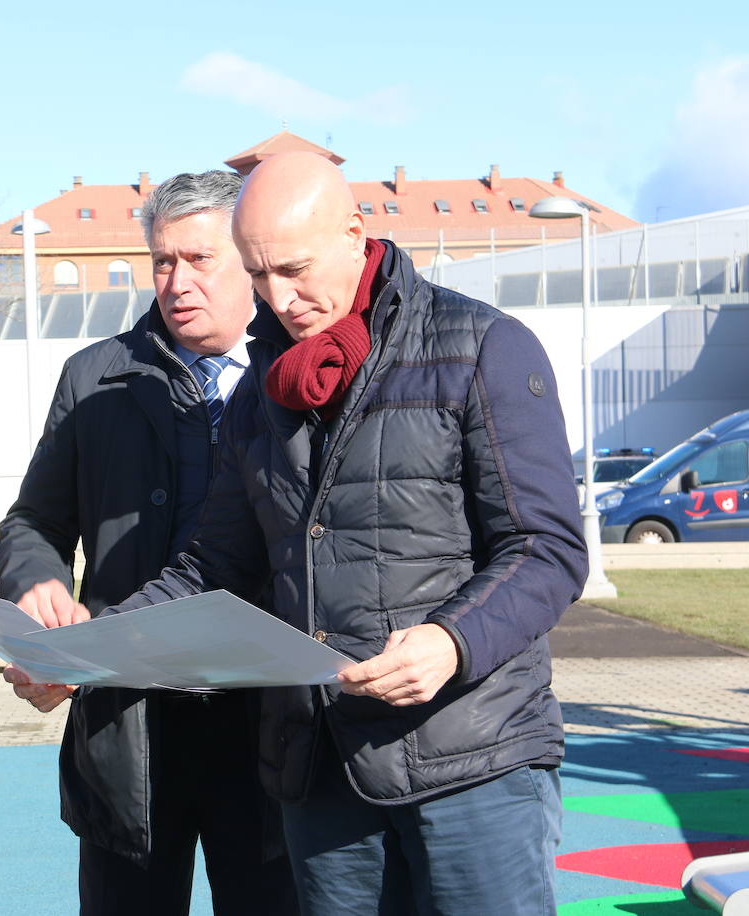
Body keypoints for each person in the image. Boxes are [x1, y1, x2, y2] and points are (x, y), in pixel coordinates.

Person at [36, 152, 589, 915]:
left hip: (473, 758)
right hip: (319, 770)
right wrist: (87, 653)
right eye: (260, 276)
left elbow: (547, 549)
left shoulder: (482, 347)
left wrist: (451, 642)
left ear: (355, 232)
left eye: (294, 270)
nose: (279, 299)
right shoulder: (265, 389)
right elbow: (212, 566)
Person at [0, 170, 298, 915]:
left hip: (266, 723)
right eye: (163, 261)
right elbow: (31, 521)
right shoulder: (94, 379)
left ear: (249, 264)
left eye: (200, 260)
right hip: (127, 724)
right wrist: (36, 581)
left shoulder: (297, 376)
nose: (177, 281)